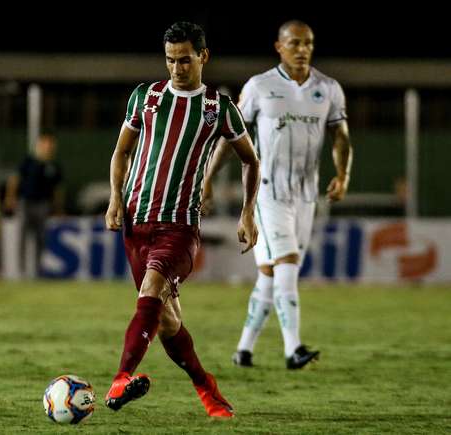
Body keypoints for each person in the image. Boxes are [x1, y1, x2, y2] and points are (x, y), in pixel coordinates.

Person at [104, 22, 259, 418]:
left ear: (203, 56)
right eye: (171, 60)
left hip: (179, 227)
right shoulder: (146, 97)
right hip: (136, 223)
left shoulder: (218, 108)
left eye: (185, 59)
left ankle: (121, 377)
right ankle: (207, 388)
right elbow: (121, 152)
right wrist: (115, 200)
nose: (177, 68)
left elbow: (250, 160)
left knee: (151, 292)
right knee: (168, 322)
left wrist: (247, 212)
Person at [203, 20, 352, 369]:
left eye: (308, 43)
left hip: (306, 195)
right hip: (268, 193)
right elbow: (231, 135)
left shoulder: (328, 89)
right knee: (288, 265)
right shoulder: (260, 86)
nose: (302, 49)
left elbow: (340, 135)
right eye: (295, 43)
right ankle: (293, 349)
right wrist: (208, 177)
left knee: (271, 274)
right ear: (279, 47)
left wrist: (343, 176)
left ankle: (243, 349)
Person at [4, 134, 63, 277]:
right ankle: (21, 270)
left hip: (43, 204)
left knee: (41, 238)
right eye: (45, 145)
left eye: (50, 146)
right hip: (26, 202)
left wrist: (58, 207)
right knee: (23, 236)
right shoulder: (28, 162)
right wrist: (10, 198)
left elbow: (57, 189)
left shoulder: (54, 166)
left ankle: (38, 270)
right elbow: (14, 180)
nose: (47, 149)